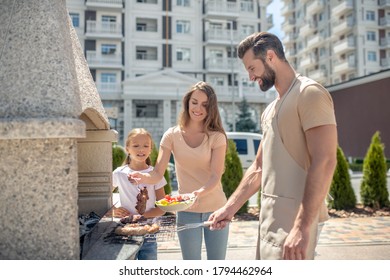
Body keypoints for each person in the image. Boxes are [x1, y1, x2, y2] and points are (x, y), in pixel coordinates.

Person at [209, 31, 338, 260]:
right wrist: (229, 209)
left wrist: (301, 226)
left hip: (295, 223)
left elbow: (325, 160)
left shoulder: (309, 93)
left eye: (252, 68)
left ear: (270, 57)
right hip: (268, 220)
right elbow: (258, 168)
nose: (250, 77)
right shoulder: (270, 110)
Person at [130, 81, 229, 260]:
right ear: (187, 103)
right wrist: (141, 177)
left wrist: (198, 193)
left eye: (205, 105)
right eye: (195, 102)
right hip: (186, 210)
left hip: (216, 210)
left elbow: (215, 175)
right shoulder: (171, 135)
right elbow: (157, 173)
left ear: (211, 108)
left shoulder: (217, 137)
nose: (198, 108)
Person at [112, 128, 167, 260]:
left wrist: (140, 216)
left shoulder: (155, 175)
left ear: (150, 149)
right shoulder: (119, 173)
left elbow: (163, 208)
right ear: (127, 149)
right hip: (126, 231)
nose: (141, 149)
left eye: (145, 146)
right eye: (136, 146)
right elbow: (102, 197)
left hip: (149, 232)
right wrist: (114, 210)